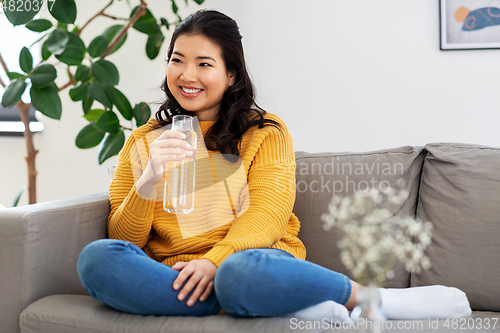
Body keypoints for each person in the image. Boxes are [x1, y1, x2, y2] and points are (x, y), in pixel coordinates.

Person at [77, 9, 471, 322]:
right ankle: (276, 303)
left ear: (231, 75)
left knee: (238, 275)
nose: (187, 75)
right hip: (176, 275)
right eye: (177, 60)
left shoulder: (265, 131)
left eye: (204, 63)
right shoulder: (144, 140)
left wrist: (214, 261)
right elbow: (125, 241)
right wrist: (150, 177)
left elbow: (268, 215)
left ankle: (369, 298)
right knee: (96, 259)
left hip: (252, 261)